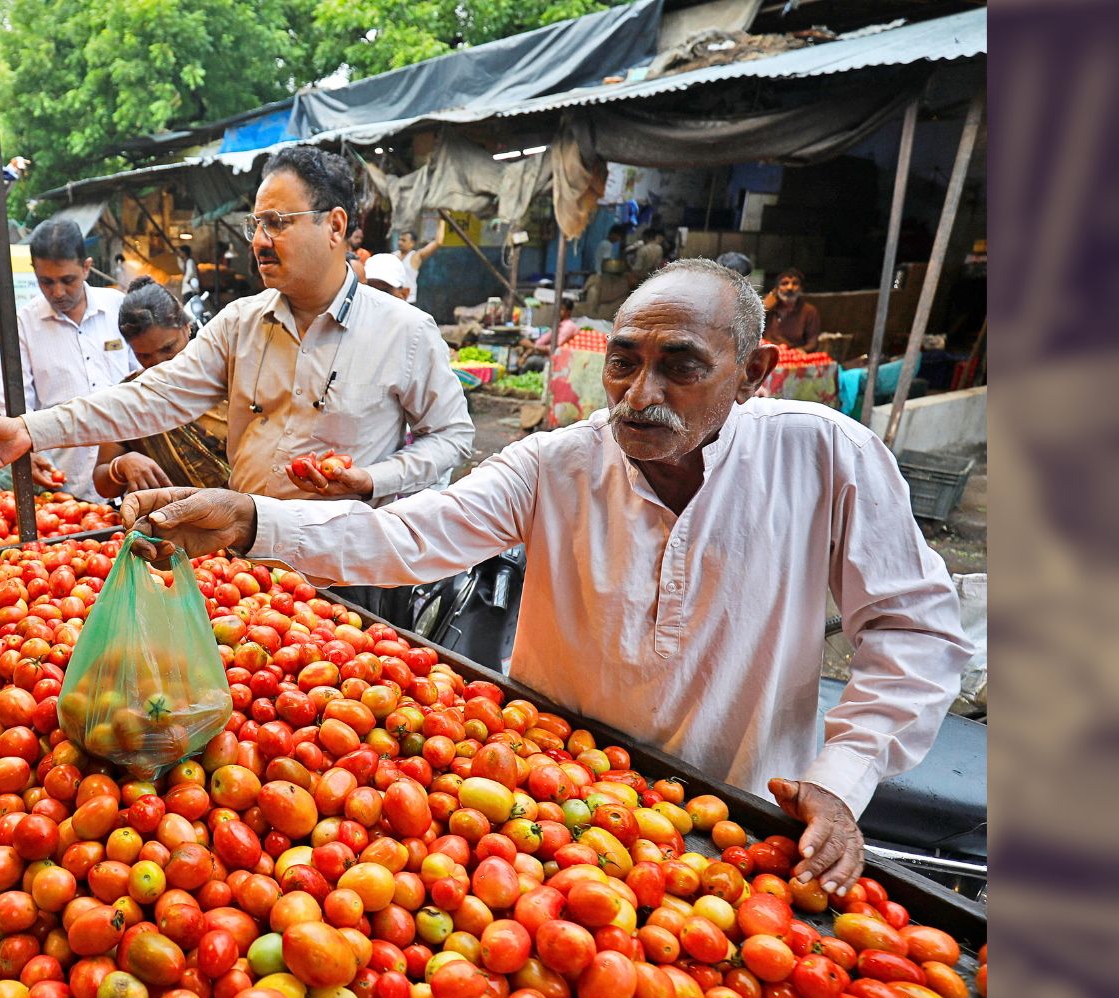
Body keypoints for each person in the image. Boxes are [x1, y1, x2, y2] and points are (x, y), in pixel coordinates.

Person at [119, 258, 972, 894]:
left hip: (737, 822)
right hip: (545, 799)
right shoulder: (558, 462)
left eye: (681, 365)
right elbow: (412, 534)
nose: (640, 394)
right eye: (624, 361)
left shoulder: (825, 455)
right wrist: (256, 520)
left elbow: (913, 629)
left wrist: (845, 776)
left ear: (754, 373)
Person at [0, 144, 473, 507]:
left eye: (277, 223)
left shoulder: (406, 331)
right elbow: (151, 397)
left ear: (334, 226)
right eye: (256, 224)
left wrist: (374, 480)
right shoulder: (240, 324)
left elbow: (451, 436)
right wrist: (30, 430)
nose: (260, 240)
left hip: (351, 562)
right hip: (248, 563)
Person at [5, 218, 132, 501]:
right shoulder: (23, 323)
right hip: (62, 486)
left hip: (128, 480)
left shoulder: (118, 308)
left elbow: (145, 382)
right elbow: (14, 403)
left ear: (86, 267)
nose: (58, 292)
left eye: (67, 280)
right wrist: (27, 452)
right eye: (46, 282)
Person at [90, 277, 229, 498]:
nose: (159, 363)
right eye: (143, 356)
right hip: (174, 525)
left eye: (168, 348)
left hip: (251, 518)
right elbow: (103, 482)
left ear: (186, 327)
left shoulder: (227, 377)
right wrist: (122, 465)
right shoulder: (132, 398)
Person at [764, 266, 823, 351]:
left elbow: (812, 343)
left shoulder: (809, 311)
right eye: (784, 283)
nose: (790, 288)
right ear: (776, 289)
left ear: (801, 289)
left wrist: (798, 352)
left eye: (795, 283)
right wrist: (763, 308)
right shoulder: (767, 308)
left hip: (793, 356)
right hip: (767, 353)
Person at [516, 296, 578, 372]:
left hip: (559, 360)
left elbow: (554, 347)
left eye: (561, 309)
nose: (558, 312)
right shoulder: (558, 325)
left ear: (568, 312)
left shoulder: (568, 326)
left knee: (532, 361)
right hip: (546, 356)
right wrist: (524, 356)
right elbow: (541, 341)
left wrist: (532, 346)